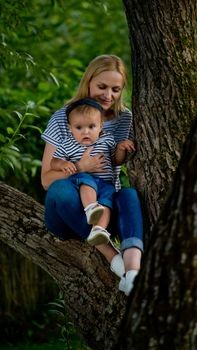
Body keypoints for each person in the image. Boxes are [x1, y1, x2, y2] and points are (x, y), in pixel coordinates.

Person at [41, 54, 144, 296]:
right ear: (88, 82)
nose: (108, 95)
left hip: (105, 201)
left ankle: (132, 272)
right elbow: (46, 180)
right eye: (102, 86)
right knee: (61, 189)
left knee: (128, 195)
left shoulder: (124, 118)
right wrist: (80, 167)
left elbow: (116, 160)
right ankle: (111, 255)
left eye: (115, 89)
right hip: (68, 210)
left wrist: (122, 150)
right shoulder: (64, 117)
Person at [50, 97, 135, 247]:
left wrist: (121, 148)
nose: (86, 132)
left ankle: (99, 229)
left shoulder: (107, 140)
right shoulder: (68, 143)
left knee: (107, 202)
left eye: (91, 126)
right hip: (83, 181)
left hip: (106, 184)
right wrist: (63, 163)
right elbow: (53, 161)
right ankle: (90, 208)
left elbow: (116, 160)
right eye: (79, 128)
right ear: (70, 129)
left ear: (101, 126)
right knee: (85, 178)